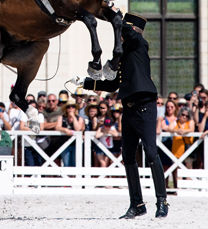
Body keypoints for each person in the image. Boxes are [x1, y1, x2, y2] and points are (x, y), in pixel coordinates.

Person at [71, 11, 168, 219]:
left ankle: (162, 201)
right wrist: (86, 83)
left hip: (145, 106)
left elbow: (128, 33)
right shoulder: (123, 51)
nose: (119, 34)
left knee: (151, 153)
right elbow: (114, 83)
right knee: (128, 157)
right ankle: (137, 204)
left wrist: (109, 11)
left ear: (132, 30)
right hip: (129, 108)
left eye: (123, 29)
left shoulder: (138, 43)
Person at [169, 107, 195, 187]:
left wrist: (183, 131)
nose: (184, 117)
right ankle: (178, 188)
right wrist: (176, 131)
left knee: (188, 169)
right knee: (178, 170)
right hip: (177, 150)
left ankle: (188, 188)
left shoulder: (190, 121)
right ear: (180, 114)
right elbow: (168, 128)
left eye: (187, 116)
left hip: (188, 149)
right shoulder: (174, 123)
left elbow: (192, 129)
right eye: (183, 114)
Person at [56, 98, 84, 166]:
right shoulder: (61, 117)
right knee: (66, 164)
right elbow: (57, 127)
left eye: (73, 107)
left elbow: (78, 129)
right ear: (66, 108)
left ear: (75, 108)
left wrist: (73, 117)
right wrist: (65, 130)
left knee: (76, 164)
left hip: (76, 144)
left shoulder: (79, 118)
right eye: (68, 107)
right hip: (65, 144)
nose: (71, 108)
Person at [156, 99, 178, 186]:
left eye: (171, 106)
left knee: (176, 166)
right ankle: (165, 187)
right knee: (165, 166)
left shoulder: (179, 117)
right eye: (167, 106)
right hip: (165, 144)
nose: (169, 108)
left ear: (175, 108)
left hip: (176, 144)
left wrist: (168, 128)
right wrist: (175, 129)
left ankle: (176, 186)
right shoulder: (163, 118)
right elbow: (163, 126)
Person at [19, 100, 45, 166]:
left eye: (34, 107)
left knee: (38, 164)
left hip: (37, 144)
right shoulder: (24, 115)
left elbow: (41, 128)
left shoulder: (40, 115)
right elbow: (21, 127)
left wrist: (28, 127)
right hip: (26, 145)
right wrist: (34, 128)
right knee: (30, 165)